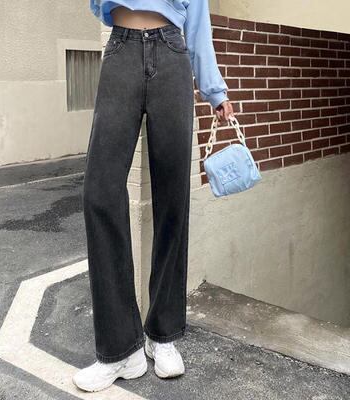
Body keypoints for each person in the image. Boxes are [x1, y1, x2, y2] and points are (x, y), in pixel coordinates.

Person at [73, 1, 235, 392]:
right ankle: (120, 350)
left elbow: (198, 21)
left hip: (172, 53)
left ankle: (162, 335)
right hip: (121, 51)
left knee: (173, 198)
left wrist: (215, 91)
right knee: (99, 194)